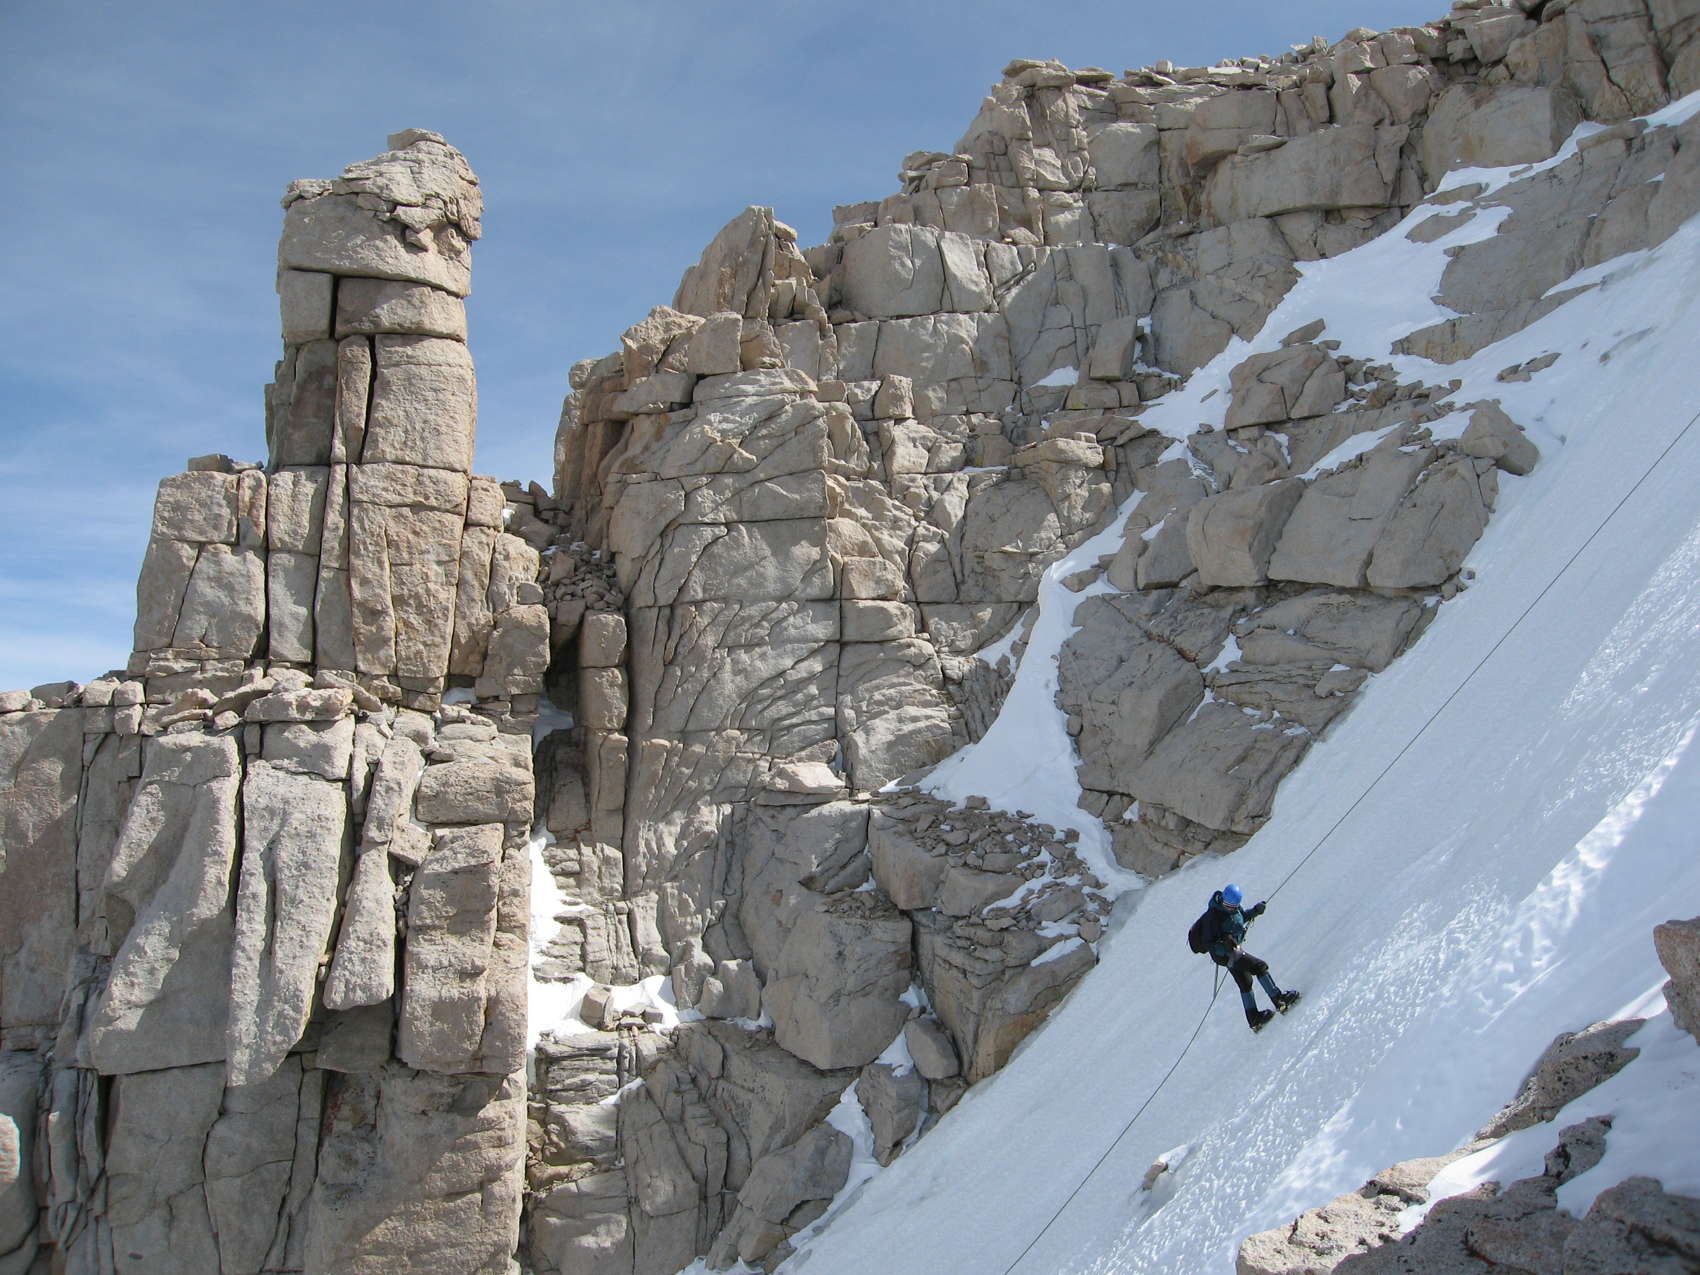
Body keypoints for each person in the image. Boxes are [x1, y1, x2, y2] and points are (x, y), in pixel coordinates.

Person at [1201, 883, 1299, 1032]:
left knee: (1245, 981)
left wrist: (1255, 911)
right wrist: (1225, 946)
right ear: (1223, 900)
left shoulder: (1234, 908)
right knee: (1259, 967)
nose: (1231, 909)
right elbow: (1210, 944)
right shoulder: (1213, 917)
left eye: (1234, 907)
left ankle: (1254, 1019)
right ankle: (1279, 1000)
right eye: (1228, 906)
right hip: (1228, 954)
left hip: (1232, 951)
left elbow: (1241, 918)